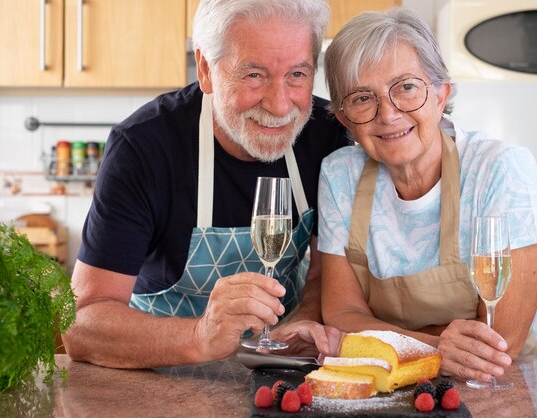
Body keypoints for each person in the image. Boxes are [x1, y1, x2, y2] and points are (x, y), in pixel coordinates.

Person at [62, 0, 350, 369]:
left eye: (297, 74)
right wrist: (201, 337)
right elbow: (81, 323)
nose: (280, 106)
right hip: (157, 379)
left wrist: (302, 319)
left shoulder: (326, 137)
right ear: (205, 69)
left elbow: (327, 273)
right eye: (254, 75)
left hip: (277, 373)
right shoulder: (144, 148)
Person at [318, 7, 537, 383]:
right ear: (344, 118)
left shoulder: (501, 170)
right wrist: (435, 348)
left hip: (494, 385)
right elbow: (341, 315)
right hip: (389, 383)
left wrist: (389, 339)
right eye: (362, 98)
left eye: (406, 87)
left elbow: (502, 342)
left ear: (441, 94)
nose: (387, 114)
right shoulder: (340, 174)